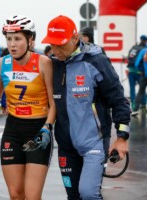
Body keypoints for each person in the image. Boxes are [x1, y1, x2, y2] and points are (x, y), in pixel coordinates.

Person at [41, 15, 131, 199]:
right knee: (73, 196)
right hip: (65, 145)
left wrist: (122, 138)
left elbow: (119, 100)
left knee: (88, 194)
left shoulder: (96, 61)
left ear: (75, 39)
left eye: (61, 44)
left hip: (94, 142)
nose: (55, 50)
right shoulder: (52, 63)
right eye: (52, 44)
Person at [0, 14, 56, 199]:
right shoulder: (0, 64)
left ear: (30, 40)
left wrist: (48, 127)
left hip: (38, 130)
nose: (12, 44)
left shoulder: (44, 63)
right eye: (9, 39)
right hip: (13, 130)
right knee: (16, 194)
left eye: (18, 39)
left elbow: (54, 103)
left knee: (32, 196)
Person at [127, 34, 147, 112]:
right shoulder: (144, 49)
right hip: (140, 72)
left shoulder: (133, 47)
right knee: (142, 89)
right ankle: (143, 105)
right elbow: (138, 62)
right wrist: (139, 70)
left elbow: (129, 58)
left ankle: (134, 105)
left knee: (133, 89)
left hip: (130, 70)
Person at [131, 45, 147, 116]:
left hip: (144, 75)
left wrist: (140, 70)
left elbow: (137, 63)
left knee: (141, 92)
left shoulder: (144, 51)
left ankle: (135, 109)